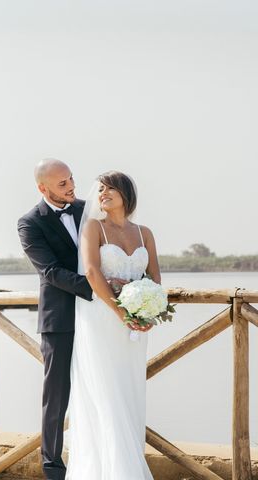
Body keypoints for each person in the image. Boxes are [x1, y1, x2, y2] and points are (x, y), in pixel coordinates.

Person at [66, 171, 159, 479]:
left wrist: (148, 311)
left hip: (135, 327)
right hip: (103, 320)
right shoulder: (94, 228)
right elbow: (92, 273)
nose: (102, 193)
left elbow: (155, 280)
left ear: (126, 194)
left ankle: (128, 464)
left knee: (129, 392)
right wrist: (122, 313)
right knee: (106, 395)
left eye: (110, 189)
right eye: (101, 189)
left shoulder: (144, 232)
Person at [17, 158, 95, 480]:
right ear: (43, 188)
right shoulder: (29, 223)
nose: (71, 187)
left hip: (98, 319)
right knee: (56, 397)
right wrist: (99, 289)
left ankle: (94, 460)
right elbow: (49, 271)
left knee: (97, 389)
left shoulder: (89, 210)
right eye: (62, 184)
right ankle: (53, 470)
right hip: (59, 319)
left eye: (71, 179)